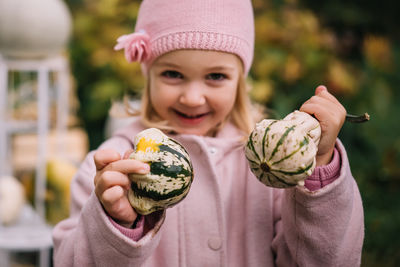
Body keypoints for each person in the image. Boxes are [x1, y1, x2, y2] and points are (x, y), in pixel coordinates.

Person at [52, 0, 364, 266]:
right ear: (148, 75)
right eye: (172, 74)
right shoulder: (113, 169)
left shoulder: (273, 164)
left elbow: (324, 259)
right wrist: (117, 224)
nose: (192, 97)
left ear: (240, 80)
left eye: (215, 76)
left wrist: (318, 165)